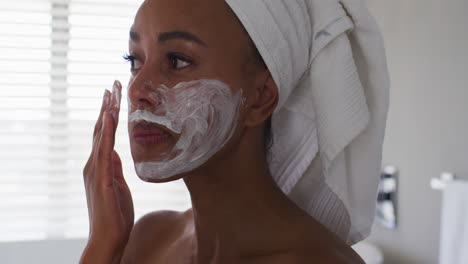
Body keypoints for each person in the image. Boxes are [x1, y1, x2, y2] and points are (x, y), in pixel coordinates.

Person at [80, 0, 390, 263]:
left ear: (261, 97)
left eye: (176, 60)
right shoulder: (147, 240)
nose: (136, 91)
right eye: (134, 60)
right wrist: (103, 244)